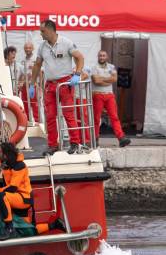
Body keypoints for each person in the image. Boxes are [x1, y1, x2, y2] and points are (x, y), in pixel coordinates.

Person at [0, 135, 66, 240]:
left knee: (2, 196)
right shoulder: (5, 162)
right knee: (28, 231)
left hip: (23, 199)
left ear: (6, 155)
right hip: (16, 199)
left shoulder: (19, 166)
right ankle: (54, 225)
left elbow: (13, 188)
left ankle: (9, 228)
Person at [32, 20, 83, 155]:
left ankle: (74, 143)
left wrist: (77, 74)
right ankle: (52, 145)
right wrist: (32, 83)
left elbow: (80, 57)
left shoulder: (66, 42)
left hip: (65, 84)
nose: (41, 34)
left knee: (69, 115)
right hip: (50, 85)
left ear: (51, 30)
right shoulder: (42, 47)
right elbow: (37, 65)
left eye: (42, 31)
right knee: (50, 116)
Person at [90, 50, 131, 147]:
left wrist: (102, 79)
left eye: (104, 56)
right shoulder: (93, 67)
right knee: (96, 118)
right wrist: (108, 79)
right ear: (98, 57)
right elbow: (96, 81)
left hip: (109, 95)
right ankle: (95, 139)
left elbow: (114, 79)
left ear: (107, 57)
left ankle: (121, 138)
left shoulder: (111, 66)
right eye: (100, 56)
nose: (102, 57)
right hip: (98, 94)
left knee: (114, 117)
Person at [20, 42, 39, 122]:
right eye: (26, 48)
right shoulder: (22, 60)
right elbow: (21, 73)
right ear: (24, 49)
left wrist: (40, 86)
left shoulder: (36, 59)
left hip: (33, 85)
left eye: (29, 48)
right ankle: (27, 122)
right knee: (25, 104)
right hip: (24, 86)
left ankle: (38, 121)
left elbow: (40, 72)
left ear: (33, 49)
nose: (28, 49)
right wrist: (20, 83)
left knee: (34, 105)